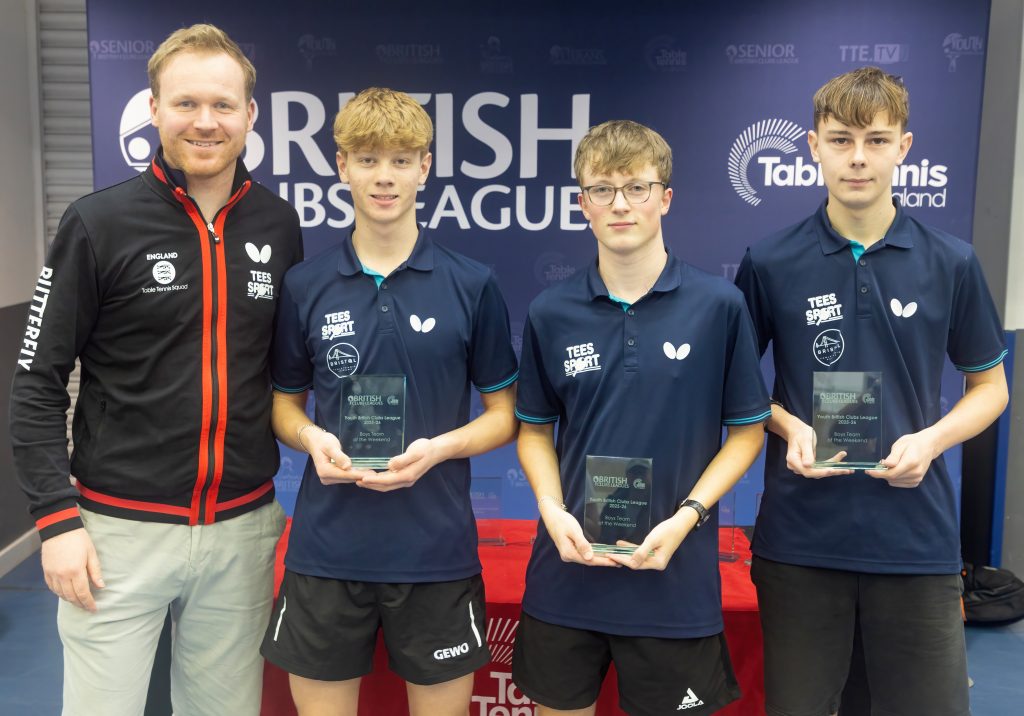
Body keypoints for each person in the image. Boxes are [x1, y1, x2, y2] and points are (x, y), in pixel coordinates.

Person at [8, 23, 304, 716]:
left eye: (223, 105)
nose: (205, 122)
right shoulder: (97, 222)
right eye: (186, 103)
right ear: (153, 108)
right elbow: (36, 381)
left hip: (240, 531)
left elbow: (286, 373)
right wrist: (56, 519)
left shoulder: (277, 224)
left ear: (250, 114)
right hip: (115, 534)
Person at [734, 66, 1009, 716]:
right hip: (801, 541)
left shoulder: (951, 261)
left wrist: (932, 440)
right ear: (813, 146)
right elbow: (735, 390)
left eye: (877, 140)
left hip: (916, 541)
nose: (858, 158)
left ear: (903, 147)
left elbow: (991, 388)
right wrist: (789, 427)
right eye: (841, 140)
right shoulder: (769, 262)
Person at [259, 87, 519, 716]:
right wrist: (310, 438)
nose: (384, 177)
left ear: (424, 168)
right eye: (368, 159)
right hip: (326, 550)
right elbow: (283, 405)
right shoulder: (305, 284)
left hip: (436, 552)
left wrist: (440, 449)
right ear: (341, 166)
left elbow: (505, 415)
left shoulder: (472, 284)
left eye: (401, 160)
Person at [512, 119, 770, 716]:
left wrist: (688, 516)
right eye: (602, 189)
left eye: (636, 187)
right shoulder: (551, 311)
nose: (620, 204)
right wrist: (551, 510)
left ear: (665, 198)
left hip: (674, 578)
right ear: (583, 204)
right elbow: (533, 431)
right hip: (569, 572)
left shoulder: (719, 306)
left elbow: (747, 432)